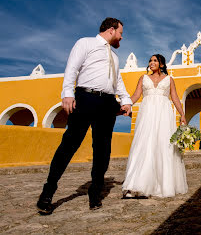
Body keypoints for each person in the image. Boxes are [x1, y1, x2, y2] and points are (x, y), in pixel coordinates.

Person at [36, 17, 132, 214]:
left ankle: (95, 192)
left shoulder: (114, 57)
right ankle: (48, 191)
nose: (121, 37)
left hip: (107, 103)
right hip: (85, 97)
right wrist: (68, 94)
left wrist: (125, 100)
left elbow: (117, 80)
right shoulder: (85, 43)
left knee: (103, 149)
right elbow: (72, 68)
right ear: (112, 30)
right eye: (120, 33)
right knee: (70, 143)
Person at [122, 54, 188, 198]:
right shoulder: (143, 78)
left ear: (162, 64)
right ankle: (135, 185)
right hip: (147, 114)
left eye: (155, 61)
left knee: (163, 146)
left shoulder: (169, 79)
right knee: (144, 145)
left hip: (164, 115)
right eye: (150, 61)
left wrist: (182, 114)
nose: (151, 63)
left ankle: (161, 185)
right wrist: (127, 105)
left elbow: (175, 97)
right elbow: (136, 95)